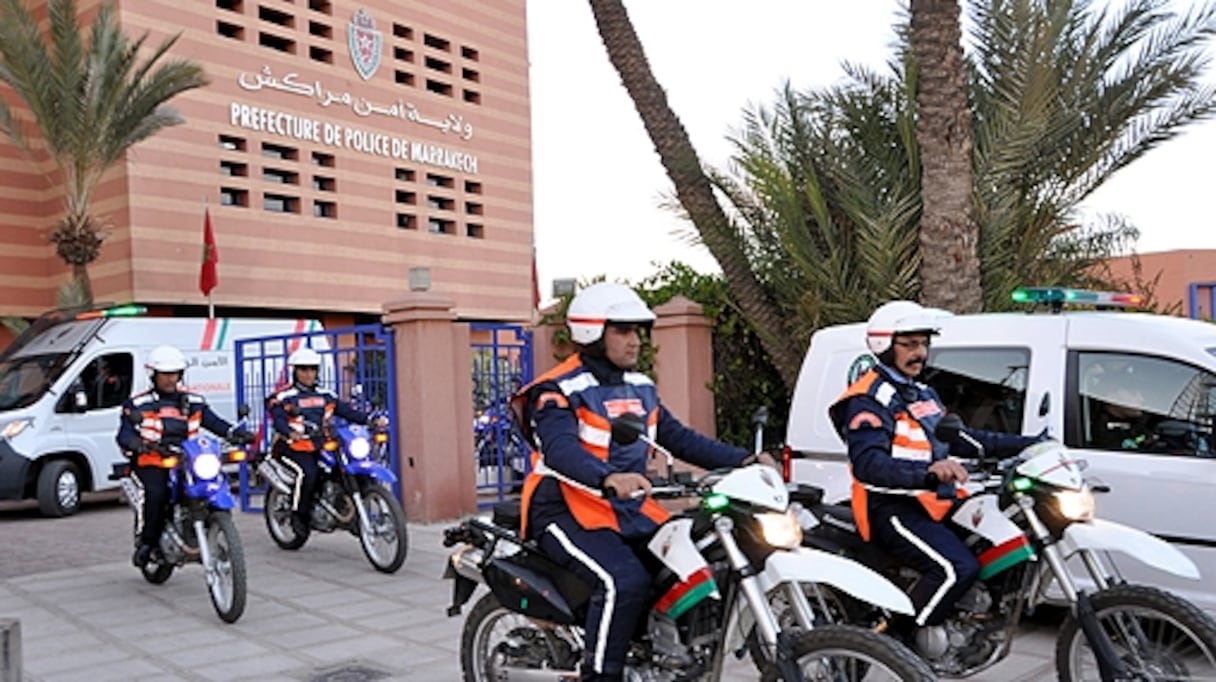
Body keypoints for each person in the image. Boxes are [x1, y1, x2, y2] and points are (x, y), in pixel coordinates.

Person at [511, 282, 776, 682]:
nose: (635, 341)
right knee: (623, 581)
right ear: (592, 332)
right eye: (623, 330)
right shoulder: (557, 391)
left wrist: (744, 459)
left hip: (625, 507)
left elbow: (678, 438)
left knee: (688, 563)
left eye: (638, 331)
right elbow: (560, 451)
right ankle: (602, 673)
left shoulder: (639, 387)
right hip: (565, 508)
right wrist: (608, 478)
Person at [828, 300, 1045, 640]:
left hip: (933, 500)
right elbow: (869, 466)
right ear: (884, 345)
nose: (920, 352)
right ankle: (895, 646)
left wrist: (1029, 444)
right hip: (890, 507)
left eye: (924, 343)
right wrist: (929, 472)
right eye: (910, 344)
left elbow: (962, 439)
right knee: (956, 568)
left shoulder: (921, 392)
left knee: (996, 541)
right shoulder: (868, 400)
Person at [116, 345, 253, 568]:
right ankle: (147, 543)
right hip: (152, 460)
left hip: (188, 460)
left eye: (175, 373)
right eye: (166, 374)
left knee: (212, 485)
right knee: (157, 494)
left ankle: (214, 530)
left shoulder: (193, 401)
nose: (171, 379)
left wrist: (236, 433)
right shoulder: (138, 404)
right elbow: (124, 433)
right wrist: (136, 444)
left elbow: (214, 422)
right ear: (153, 375)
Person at [266, 347, 388, 538]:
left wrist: (371, 419)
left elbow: (348, 412)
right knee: (308, 473)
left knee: (345, 469)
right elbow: (279, 419)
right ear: (295, 371)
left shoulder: (327, 395)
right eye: (303, 369)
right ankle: (299, 516)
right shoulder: (282, 396)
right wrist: (290, 431)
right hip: (292, 446)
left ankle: (355, 514)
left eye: (312, 369)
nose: (308, 374)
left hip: (322, 444)